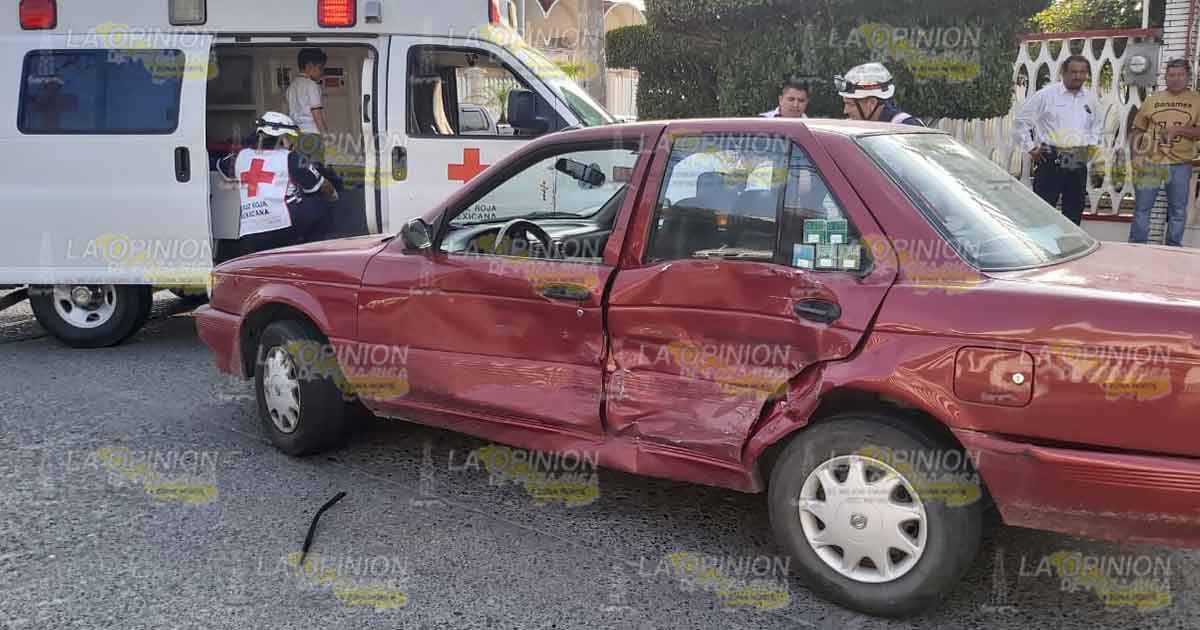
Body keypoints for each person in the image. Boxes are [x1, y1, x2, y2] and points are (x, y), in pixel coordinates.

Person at [217, 112, 341, 256]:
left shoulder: (240, 157)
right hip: (283, 229)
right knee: (320, 204)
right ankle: (315, 255)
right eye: (290, 138)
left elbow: (221, 166)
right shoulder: (291, 158)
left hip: (250, 233)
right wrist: (334, 197)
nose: (292, 143)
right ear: (282, 139)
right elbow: (323, 186)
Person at [1013, 55, 1102, 226]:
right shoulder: (1046, 95)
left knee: (1074, 210)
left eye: (1083, 72)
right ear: (1064, 73)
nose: (1078, 76)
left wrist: (1091, 147)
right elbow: (1021, 121)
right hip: (1051, 158)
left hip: (1078, 159)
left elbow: (1096, 126)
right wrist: (1031, 148)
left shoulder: (1090, 99)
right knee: (1043, 210)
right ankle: (1041, 249)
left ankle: (1071, 247)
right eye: (1074, 72)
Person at [1129, 58, 1200, 246]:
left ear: (1188, 77)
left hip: (1180, 164)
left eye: (1180, 75)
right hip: (1150, 162)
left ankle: (1173, 248)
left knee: (1177, 209)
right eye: (1171, 75)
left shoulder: (1197, 100)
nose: (1175, 79)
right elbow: (1137, 129)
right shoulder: (1153, 99)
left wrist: (1178, 130)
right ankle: (1136, 247)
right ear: (1166, 77)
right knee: (1142, 208)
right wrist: (1135, 155)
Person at [835, 62, 925, 126]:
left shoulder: (906, 127)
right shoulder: (853, 128)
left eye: (850, 104)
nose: (845, 111)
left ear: (872, 103)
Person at [286, 48, 329, 165]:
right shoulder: (311, 85)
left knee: (302, 170)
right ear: (310, 66)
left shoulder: (292, 86)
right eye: (320, 68)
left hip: (296, 136)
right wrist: (326, 136)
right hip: (312, 135)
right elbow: (316, 114)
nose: (322, 72)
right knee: (317, 169)